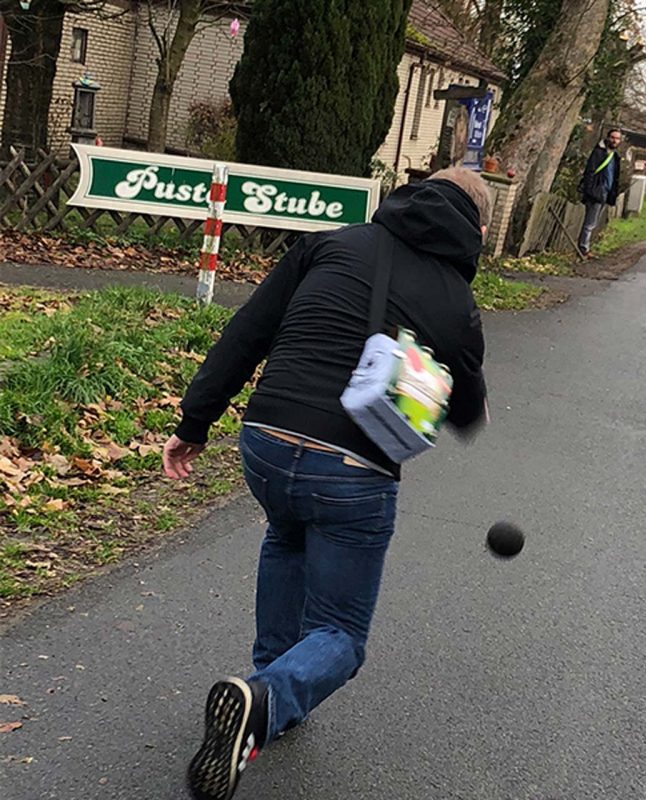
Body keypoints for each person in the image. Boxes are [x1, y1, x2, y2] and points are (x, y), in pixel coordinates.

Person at [164, 167, 491, 800]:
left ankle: (271, 683)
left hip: (265, 441)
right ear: (476, 229)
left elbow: (248, 331)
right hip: (352, 470)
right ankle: (264, 701)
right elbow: (468, 412)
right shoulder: (456, 300)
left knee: (287, 534)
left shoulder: (331, 243)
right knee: (342, 633)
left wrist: (195, 420)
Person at [578, 128, 622, 257]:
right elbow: (589, 172)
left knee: (594, 223)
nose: (615, 140)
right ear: (608, 137)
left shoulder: (615, 156)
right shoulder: (598, 153)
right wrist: (591, 190)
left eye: (618, 138)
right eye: (613, 137)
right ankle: (583, 249)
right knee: (590, 223)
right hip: (596, 193)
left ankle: (586, 247)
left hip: (606, 193)